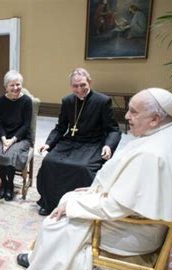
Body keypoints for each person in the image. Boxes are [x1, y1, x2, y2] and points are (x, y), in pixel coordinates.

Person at [17, 88, 172, 270]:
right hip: (142, 219)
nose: (127, 116)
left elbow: (118, 207)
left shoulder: (153, 154)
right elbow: (135, 189)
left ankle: (40, 267)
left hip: (132, 231)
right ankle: (40, 258)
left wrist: (73, 205)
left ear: (155, 119)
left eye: (134, 112)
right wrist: (94, 189)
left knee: (60, 217)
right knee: (70, 196)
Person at [36, 68, 121, 216]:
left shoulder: (102, 101)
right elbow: (61, 127)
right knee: (49, 161)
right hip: (71, 141)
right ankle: (49, 202)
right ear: (71, 86)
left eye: (83, 85)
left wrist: (109, 146)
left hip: (93, 143)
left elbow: (113, 129)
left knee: (83, 168)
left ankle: (81, 206)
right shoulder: (68, 101)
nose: (79, 89)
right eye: (75, 86)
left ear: (89, 82)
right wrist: (49, 143)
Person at [0, 70, 33, 201]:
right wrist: (4, 140)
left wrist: (11, 141)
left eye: (18, 84)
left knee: (10, 155)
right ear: (6, 86)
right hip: (3, 136)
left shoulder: (27, 101)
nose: (15, 88)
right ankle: (4, 182)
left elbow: (26, 125)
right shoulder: (0, 101)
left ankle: (10, 184)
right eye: (12, 85)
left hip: (21, 137)